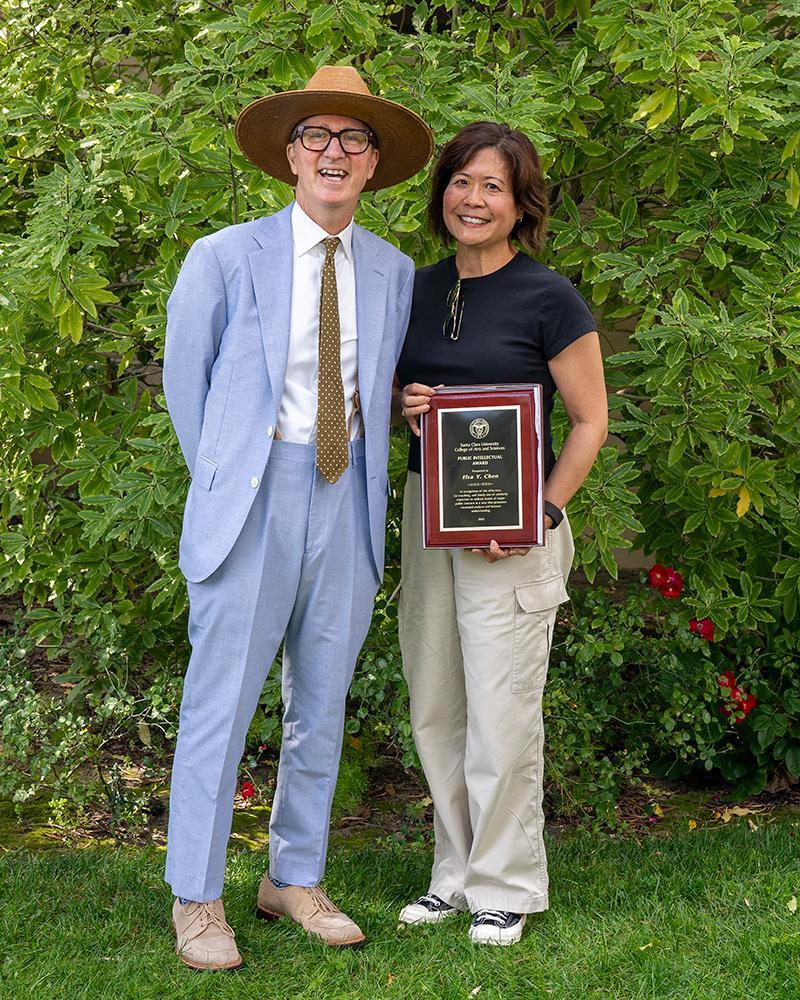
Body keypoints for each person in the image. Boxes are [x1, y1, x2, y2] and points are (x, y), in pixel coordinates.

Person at [162, 65, 432, 971]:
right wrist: (228, 482)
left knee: (322, 702)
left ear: (372, 165)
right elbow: (186, 384)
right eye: (317, 135)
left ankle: (295, 877)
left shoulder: (394, 272)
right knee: (220, 704)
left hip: (346, 495)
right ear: (289, 155)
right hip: (250, 501)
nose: (334, 152)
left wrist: (409, 406)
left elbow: (377, 381)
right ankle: (198, 900)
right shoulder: (224, 256)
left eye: (353, 140)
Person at [394, 121, 607, 946]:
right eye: (461, 181)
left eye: (493, 187)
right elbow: (388, 405)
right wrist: (405, 407)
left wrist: (541, 513)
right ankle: (455, 875)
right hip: (429, 522)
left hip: (514, 537)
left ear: (521, 206)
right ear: (441, 191)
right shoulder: (415, 290)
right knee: (436, 706)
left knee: (503, 711)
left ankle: (507, 886)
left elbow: (589, 422)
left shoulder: (549, 297)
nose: (472, 199)